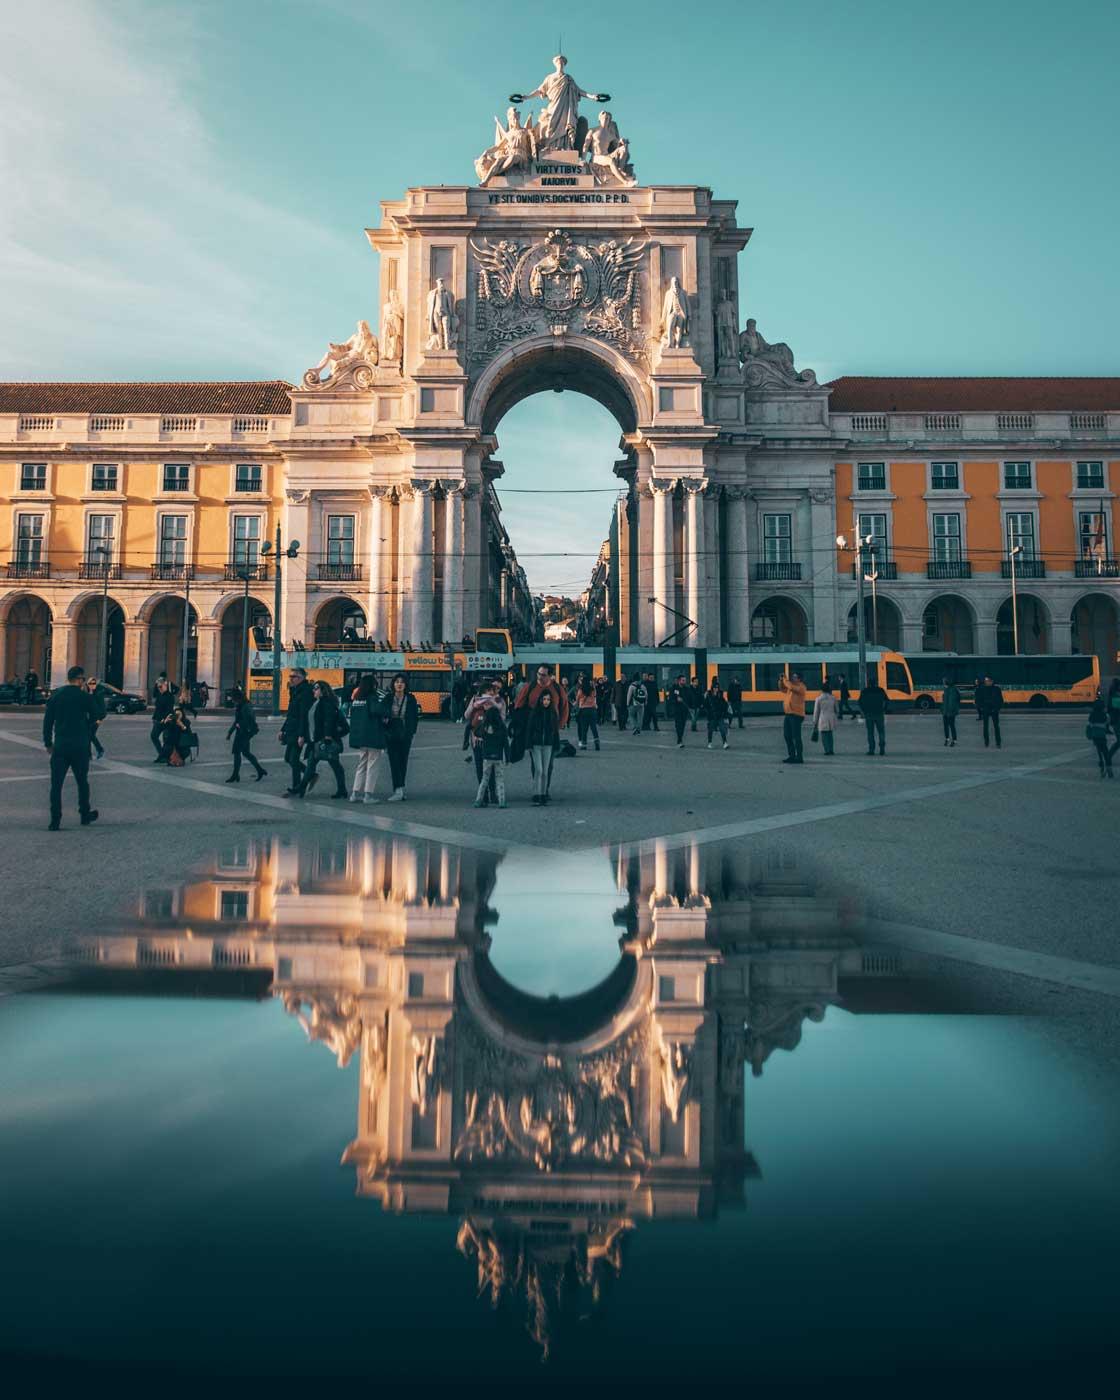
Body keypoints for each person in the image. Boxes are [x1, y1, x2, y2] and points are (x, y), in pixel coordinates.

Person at [43, 664, 98, 831]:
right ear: (80, 679)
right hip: (80, 745)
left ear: (68, 678)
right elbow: (97, 715)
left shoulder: (56, 696)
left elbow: (47, 722)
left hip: (61, 745)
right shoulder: (84, 697)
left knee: (56, 784)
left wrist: (48, 743)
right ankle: (84, 815)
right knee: (82, 782)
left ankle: (55, 820)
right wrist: (86, 727)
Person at [514, 666, 569, 797]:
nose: (539, 676)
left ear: (550, 676)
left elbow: (565, 706)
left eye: (543, 674)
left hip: (551, 730)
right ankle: (538, 790)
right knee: (536, 764)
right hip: (534, 730)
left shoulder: (557, 688)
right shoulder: (530, 686)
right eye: (538, 673)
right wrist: (520, 724)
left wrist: (560, 724)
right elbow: (518, 704)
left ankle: (545, 789)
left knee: (549, 764)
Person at [298, 680, 348, 798]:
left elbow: (328, 721)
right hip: (316, 740)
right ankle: (302, 787)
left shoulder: (326, 703)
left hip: (324, 741)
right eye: (314, 688)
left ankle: (301, 788)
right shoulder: (317, 702)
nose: (313, 690)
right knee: (318, 764)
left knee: (334, 765)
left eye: (316, 688)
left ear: (323, 690)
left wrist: (328, 736)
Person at [465, 677, 506, 804]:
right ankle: (483, 795)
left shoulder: (500, 701)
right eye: (493, 687)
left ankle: (493, 793)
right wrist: (474, 706)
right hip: (476, 739)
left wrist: (494, 706)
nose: (494, 691)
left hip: (492, 740)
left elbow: (503, 719)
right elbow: (466, 715)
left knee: (492, 766)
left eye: (498, 688)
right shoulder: (476, 698)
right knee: (479, 766)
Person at [347, 675, 387, 803]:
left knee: (361, 765)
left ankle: (354, 793)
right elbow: (377, 710)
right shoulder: (372, 697)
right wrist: (385, 713)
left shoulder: (357, 699)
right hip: (372, 736)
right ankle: (368, 795)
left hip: (359, 737)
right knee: (372, 765)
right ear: (372, 685)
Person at [383, 673, 419, 802]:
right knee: (394, 761)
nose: (399, 684)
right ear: (393, 684)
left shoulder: (411, 698)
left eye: (402, 682)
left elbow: (415, 716)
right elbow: (382, 713)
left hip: (405, 733)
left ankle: (400, 789)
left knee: (403, 761)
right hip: (391, 733)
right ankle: (398, 789)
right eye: (397, 682)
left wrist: (412, 731)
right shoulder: (388, 698)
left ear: (405, 685)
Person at [280, 667, 314, 795]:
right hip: (292, 729)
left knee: (293, 759)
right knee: (289, 758)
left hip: (299, 730)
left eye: (293, 676)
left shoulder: (305, 692)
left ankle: (297, 787)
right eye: (290, 676)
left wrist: (301, 735)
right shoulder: (295, 691)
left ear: (301, 678)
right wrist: (282, 729)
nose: (291, 679)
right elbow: (291, 713)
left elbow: (303, 715)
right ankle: (310, 775)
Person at [225, 686, 267, 782]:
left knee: (237, 752)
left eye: (233, 698)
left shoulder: (245, 706)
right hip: (242, 732)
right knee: (246, 753)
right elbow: (237, 721)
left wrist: (240, 725)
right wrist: (230, 732)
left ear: (237, 698)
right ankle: (260, 770)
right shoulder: (241, 705)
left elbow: (249, 720)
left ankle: (235, 775)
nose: (232, 700)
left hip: (244, 733)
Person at [526, 689, 560, 805]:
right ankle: (536, 793)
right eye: (544, 699)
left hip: (548, 745)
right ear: (540, 700)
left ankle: (543, 794)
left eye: (548, 700)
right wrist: (528, 744)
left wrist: (556, 744)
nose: (546, 702)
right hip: (536, 744)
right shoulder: (534, 713)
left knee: (545, 771)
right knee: (539, 770)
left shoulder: (552, 713)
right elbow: (529, 729)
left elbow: (555, 730)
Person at [473, 706, 509, 808]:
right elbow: (506, 744)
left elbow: (476, 732)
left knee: (484, 779)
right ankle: (502, 801)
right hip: (498, 757)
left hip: (487, 757)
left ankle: (478, 800)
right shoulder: (502, 728)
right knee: (500, 780)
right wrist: (508, 757)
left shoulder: (484, 727)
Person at [779, 671, 807, 764]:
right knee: (787, 736)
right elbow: (782, 688)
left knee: (796, 737)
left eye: (795, 677)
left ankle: (799, 757)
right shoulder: (791, 687)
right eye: (792, 677)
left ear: (799, 679)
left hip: (796, 714)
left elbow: (790, 686)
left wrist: (786, 680)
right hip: (788, 713)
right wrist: (781, 680)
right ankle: (791, 756)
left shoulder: (801, 687)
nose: (793, 678)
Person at [859, 671, 888, 755]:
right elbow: (887, 700)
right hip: (879, 713)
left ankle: (871, 749)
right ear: (876, 683)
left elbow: (860, 702)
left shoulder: (865, 691)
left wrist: (864, 711)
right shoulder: (880, 690)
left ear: (868, 683)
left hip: (869, 714)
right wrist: (884, 709)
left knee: (870, 732)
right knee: (881, 731)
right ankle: (882, 748)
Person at [150, 678, 176, 762]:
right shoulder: (159, 694)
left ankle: (165, 756)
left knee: (166, 739)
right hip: (157, 720)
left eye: (161, 687)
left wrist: (165, 719)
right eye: (158, 687)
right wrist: (154, 718)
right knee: (154, 736)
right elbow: (157, 707)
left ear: (165, 685)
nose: (159, 688)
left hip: (166, 721)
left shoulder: (169, 696)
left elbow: (169, 710)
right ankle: (162, 754)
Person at [975, 675, 1004, 750]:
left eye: (987, 681)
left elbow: (1000, 700)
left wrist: (997, 709)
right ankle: (986, 742)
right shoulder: (982, 689)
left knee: (996, 727)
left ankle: (998, 742)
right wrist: (981, 708)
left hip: (994, 710)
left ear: (992, 681)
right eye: (985, 681)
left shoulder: (997, 689)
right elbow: (978, 700)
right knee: (985, 727)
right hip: (986, 710)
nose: (986, 682)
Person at [1086, 701, 1113, 779]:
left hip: (1095, 736)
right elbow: (1107, 722)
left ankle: (1102, 768)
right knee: (1105, 751)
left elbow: (1089, 726)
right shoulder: (1105, 715)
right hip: (1102, 736)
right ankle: (1109, 767)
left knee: (1099, 752)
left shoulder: (1092, 715)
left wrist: (1089, 735)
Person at [812, 682, 839, 756]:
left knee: (824, 735)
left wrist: (815, 721)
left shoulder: (818, 699)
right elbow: (837, 710)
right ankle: (831, 750)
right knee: (830, 735)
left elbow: (816, 711)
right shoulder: (833, 698)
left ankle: (827, 750)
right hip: (831, 718)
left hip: (822, 718)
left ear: (821, 690)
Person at [574, 674, 600, 750]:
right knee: (593, 728)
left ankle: (584, 745)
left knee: (584, 728)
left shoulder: (580, 690)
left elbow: (577, 701)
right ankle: (597, 743)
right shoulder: (593, 690)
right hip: (592, 710)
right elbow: (595, 696)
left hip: (583, 711)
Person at [705, 681, 731, 749]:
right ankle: (710, 743)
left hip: (719, 715)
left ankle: (725, 743)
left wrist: (725, 711)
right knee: (710, 730)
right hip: (712, 715)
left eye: (717, 687)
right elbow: (706, 705)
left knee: (722, 729)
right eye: (715, 687)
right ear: (712, 688)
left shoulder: (720, 695)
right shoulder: (708, 695)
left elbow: (724, 704)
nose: (716, 689)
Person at [85, 676, 106, 759]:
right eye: (90, 683)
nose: (92, 685)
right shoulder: (88, 693)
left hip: (96, 718)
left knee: (90, 735)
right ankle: (90, 754)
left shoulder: (99, 694)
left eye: (94, 683)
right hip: (89, 718)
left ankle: (99, 750)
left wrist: (100, 719)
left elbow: (103, 709)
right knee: (89, 735)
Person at [667, 674, 690, 748]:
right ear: (679, 681)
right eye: (683, 680)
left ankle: (680, 739)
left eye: (685, 680)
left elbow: (689, 698)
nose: (684, 682)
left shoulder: (686, 689)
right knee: (678, 725)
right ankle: (679, 740)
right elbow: (670, 699)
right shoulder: (673, 688)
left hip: (684, 710)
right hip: (677, 710)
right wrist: (676, 700)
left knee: (682, 726)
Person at [941, 676, 961, 747]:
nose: (943, 682)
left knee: (951, 726)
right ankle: (947, 739)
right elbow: (944, 701)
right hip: (946, 711)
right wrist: (943, 710)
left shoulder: (952, 689)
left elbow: (952, 702)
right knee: (946, 726)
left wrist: (951, 711)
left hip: (951, 712)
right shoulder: (946, 689)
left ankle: (954, 740)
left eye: (944, 681)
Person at [1107, 677, 1120, 768]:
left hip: (1115, 721)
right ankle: (1108, 756)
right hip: (1117, 721)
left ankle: (1108, 756)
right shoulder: (1115, 696)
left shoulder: (1113, 695)